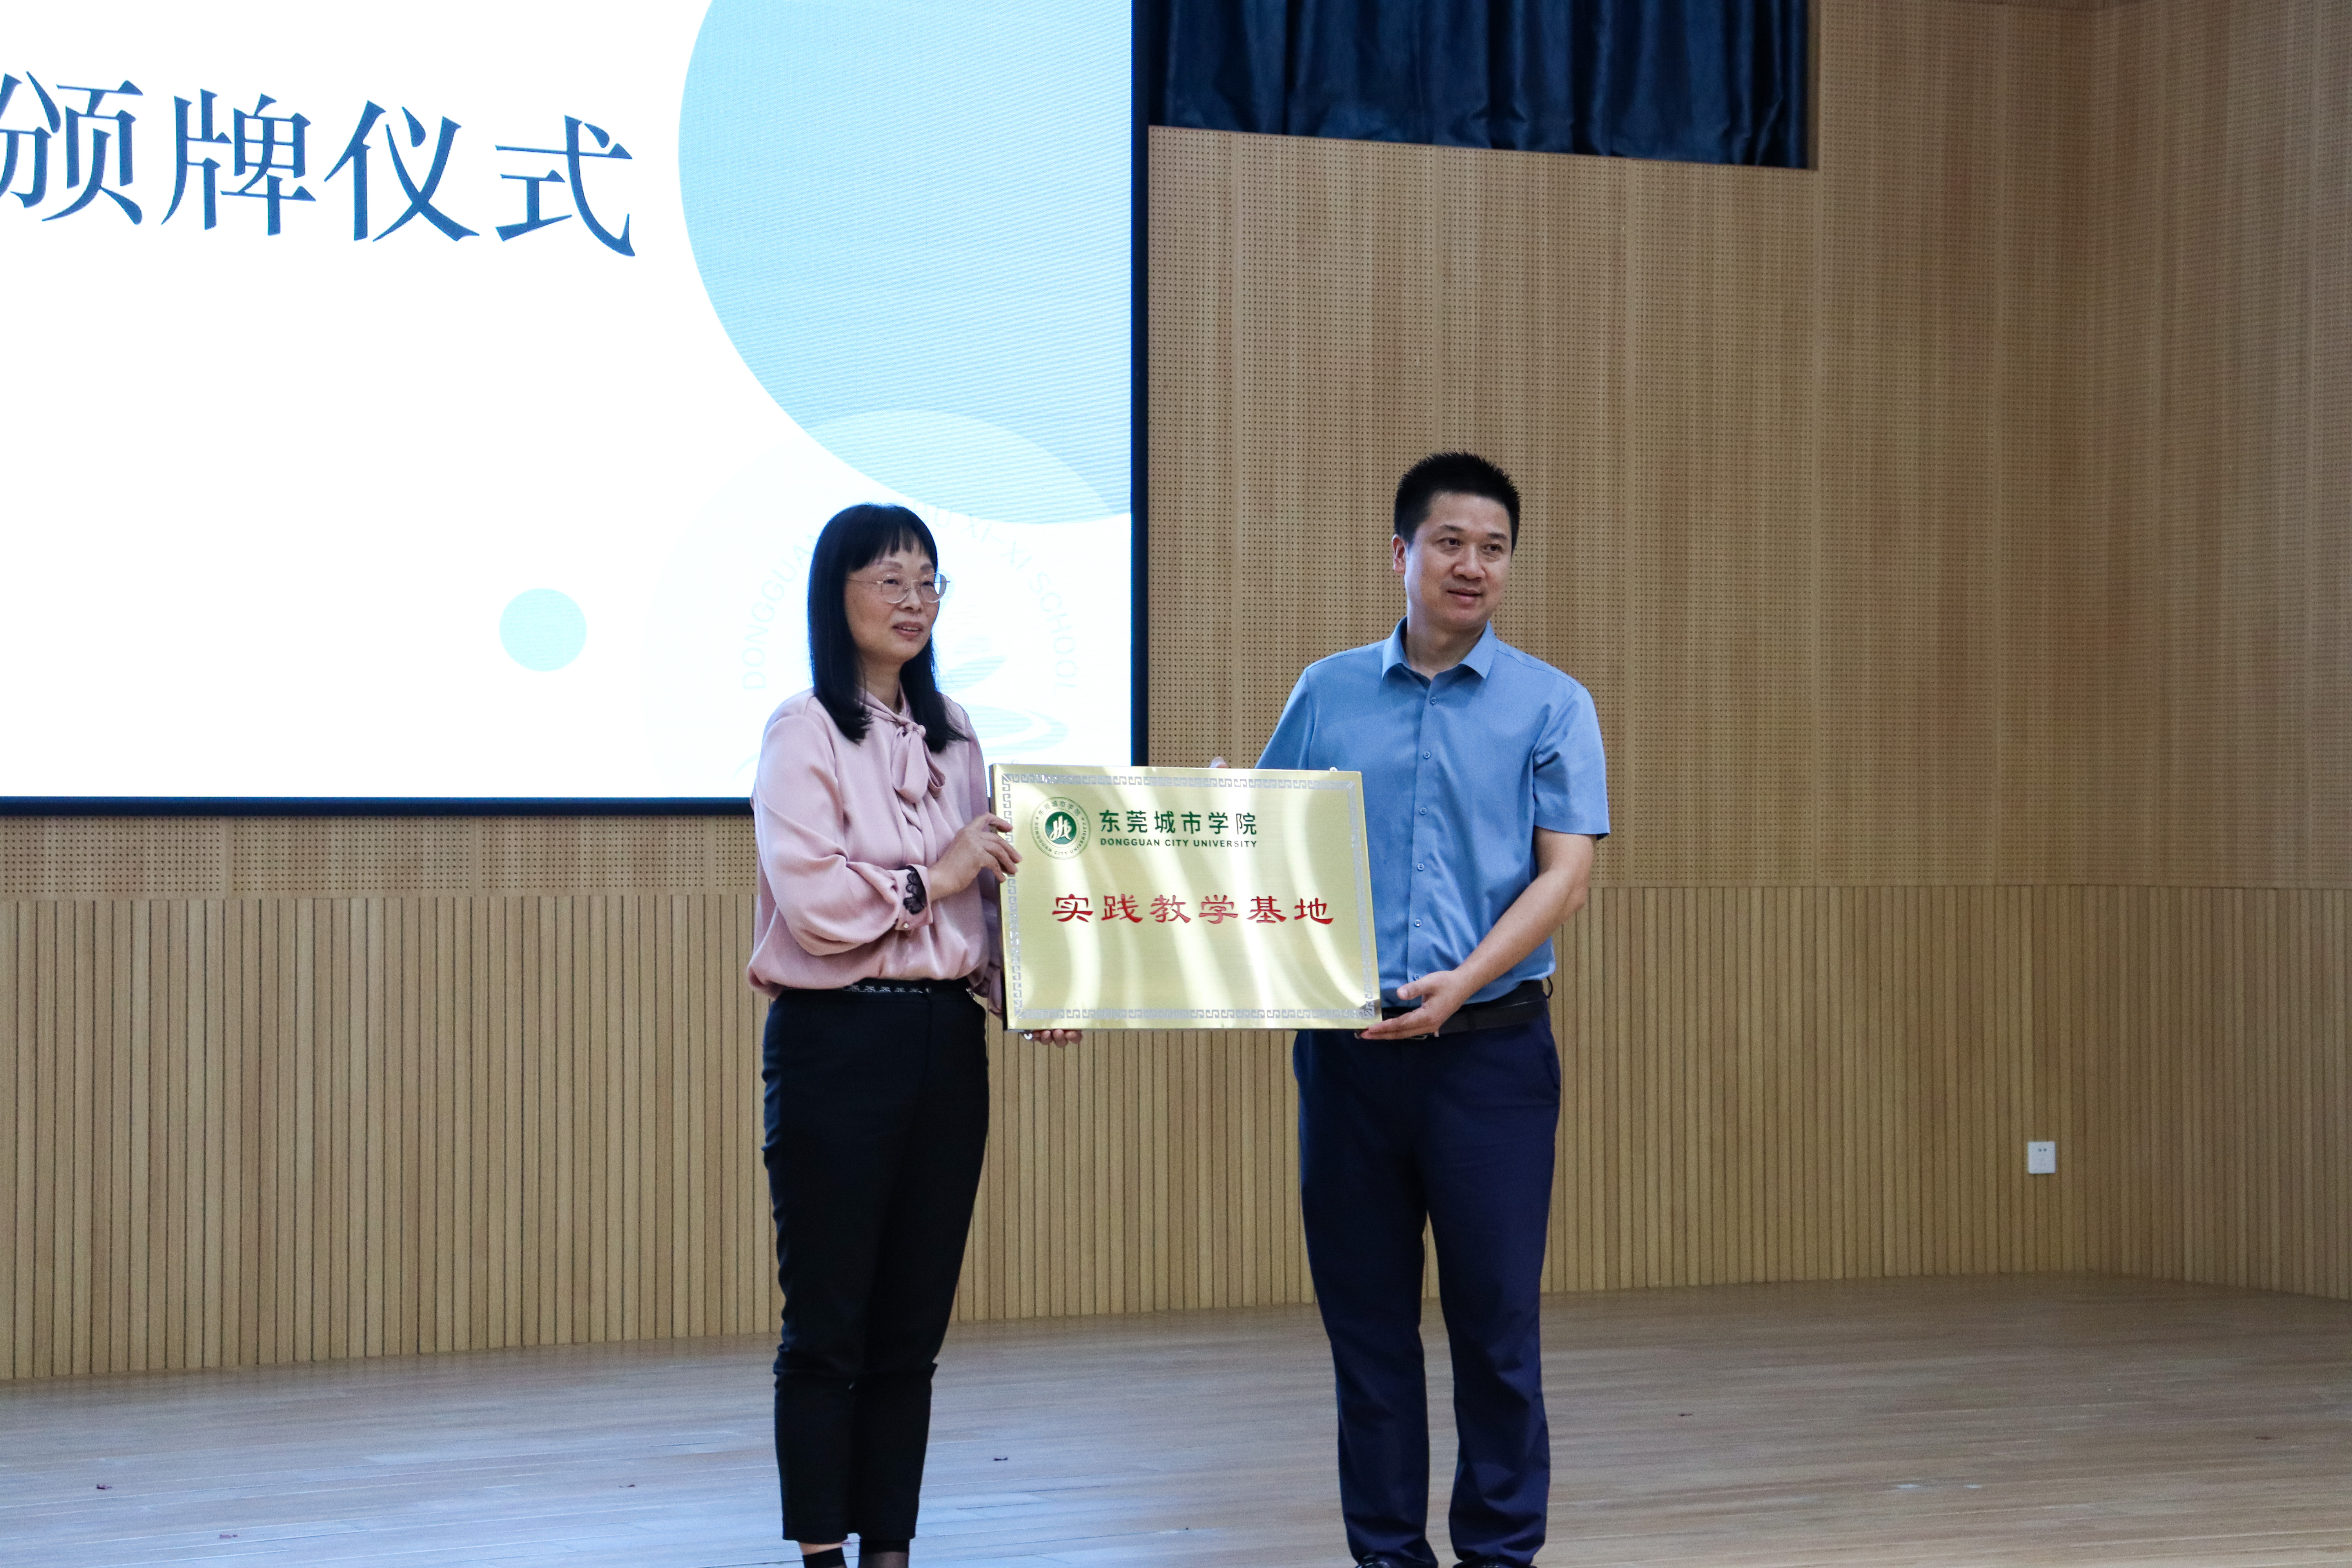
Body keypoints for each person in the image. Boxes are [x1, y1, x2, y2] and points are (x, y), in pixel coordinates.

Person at [1256, 453, 1608, 1568]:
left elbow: (1565, 876)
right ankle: (1387, 1554)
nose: (1473, 566)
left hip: (1491, 1059)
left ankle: (1500, 1554)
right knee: (1367, 1332)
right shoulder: (1327, 692)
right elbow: (1262, 839)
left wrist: (1463, 981)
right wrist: (1218, 818)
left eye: (1494, 548)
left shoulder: (1553, 703)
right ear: (1401, 553)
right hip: (1351, 1055)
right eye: (1450, 543)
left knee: (1497, 1328)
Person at [748, 502, 1077, 1568]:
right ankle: (822, 1553)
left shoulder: (958, 733)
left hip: (943, 1044)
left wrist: (1029, 995)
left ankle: (890, 1549)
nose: (915, 601)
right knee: (828, 1322)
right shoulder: (803, 729)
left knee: (913, 1326)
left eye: (930, 581)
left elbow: (984, 904)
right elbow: (815, 904)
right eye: (890, 580)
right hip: (836, 1043)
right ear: (835, 594)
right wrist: (936, 875)